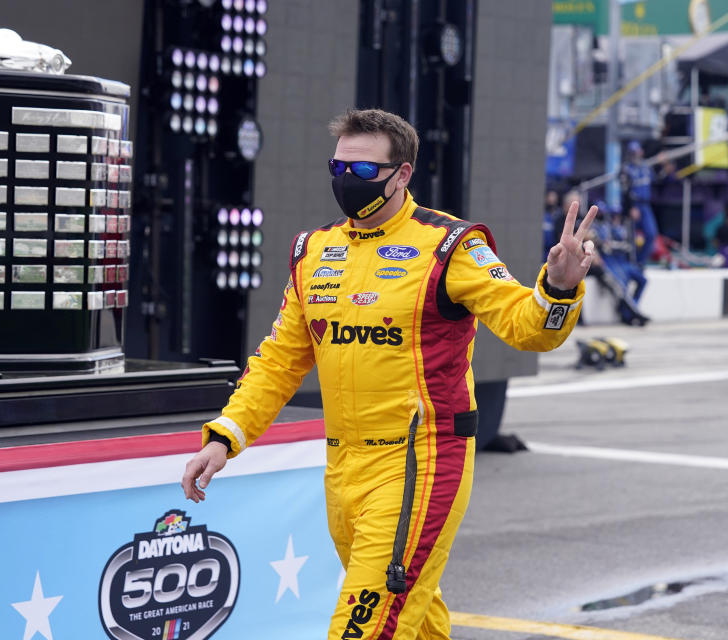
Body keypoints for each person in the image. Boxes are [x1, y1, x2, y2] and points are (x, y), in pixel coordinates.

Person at [181, 108, 597, 640]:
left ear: (402, 175)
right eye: (338, 169)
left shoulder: (452, 246)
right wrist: (226, 436)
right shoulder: (314, 251)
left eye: (362, 172)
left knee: (364, 628)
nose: (345, 182)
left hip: (419, 465)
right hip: (342, 466)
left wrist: (557, 288)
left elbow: (529, 329)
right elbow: (279, 360)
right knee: (415, 621)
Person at [621, 140, 659, 265]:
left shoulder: (646, 166)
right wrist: (631, 207)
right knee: (631, 236)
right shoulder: (626, 169)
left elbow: (658, 179)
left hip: (646, 204)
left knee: (651, 233)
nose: (636, 155)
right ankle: (631, 262)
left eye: (637, 152)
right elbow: (625, 191)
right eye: (633, 152)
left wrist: (663, 166)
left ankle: (640, 261)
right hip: (635, 205)